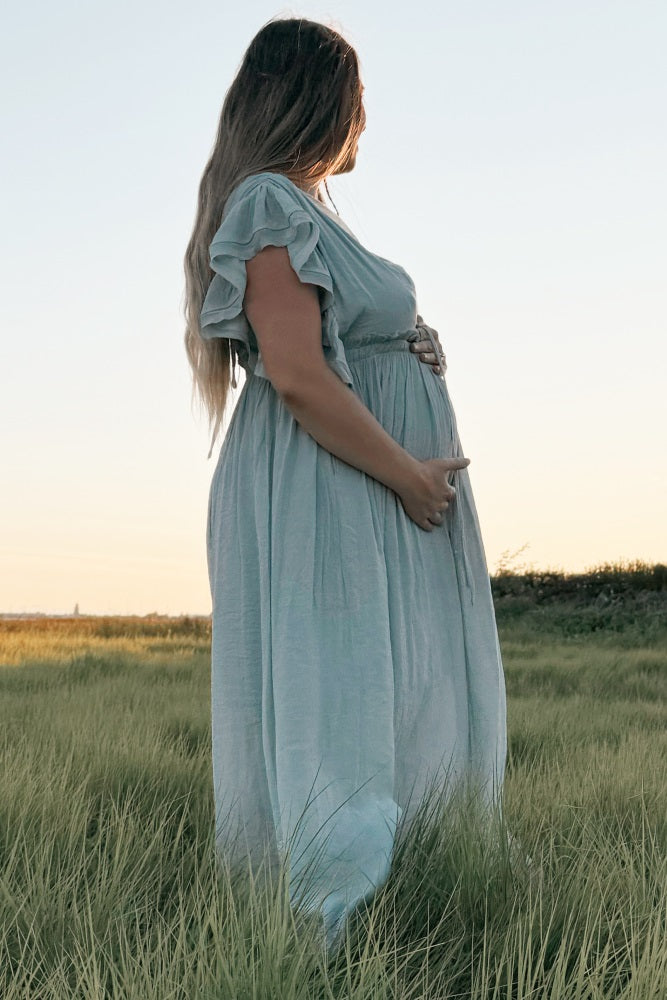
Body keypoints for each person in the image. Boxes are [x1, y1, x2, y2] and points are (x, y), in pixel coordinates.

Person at [183, 16, 507, 953]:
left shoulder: (308, 207)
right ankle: (334, 925)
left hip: (354, 487)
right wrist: (408, 474)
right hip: (326, 489)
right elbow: (296, 371)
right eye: (359, 96)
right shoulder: (268, 205)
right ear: (325, 99)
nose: (367, 116)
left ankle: (410, 890)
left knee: (396, 685)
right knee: (340, 692)